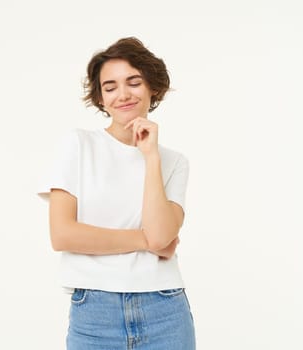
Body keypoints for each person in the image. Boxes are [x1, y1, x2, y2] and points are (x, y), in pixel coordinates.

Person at [38, 37, 195, 349]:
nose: (122, 94)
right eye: (109, 87)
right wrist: (146, 240)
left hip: (165, 309)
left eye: (133, 82)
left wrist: (151, 157)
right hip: (95, 314)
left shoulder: (174, 162)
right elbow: (63, 235)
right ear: (100, 98)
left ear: (153, 87)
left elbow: (163, 233)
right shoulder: (78, 145)